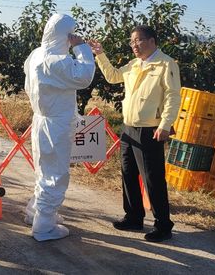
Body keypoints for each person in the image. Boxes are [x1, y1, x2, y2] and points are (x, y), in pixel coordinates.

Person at [88, 25, 181, 243]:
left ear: (152, 41)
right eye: (132, 42)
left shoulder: (166, 64)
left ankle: (163, 225)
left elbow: (173, 97)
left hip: (150, 129)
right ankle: (133, 216)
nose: (134, 45)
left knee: (152, 178)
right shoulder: (134, 65)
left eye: (138, 41)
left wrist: (166, 124)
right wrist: (100, 54)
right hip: (129, 127)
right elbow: (112, 77)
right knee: (128, 172)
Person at [23, 13, 95, 241]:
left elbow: (27, 85)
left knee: (44, 169)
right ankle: (43, 225)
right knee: (55, 173)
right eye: (71, 34)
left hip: (42, 119)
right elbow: (84, 76)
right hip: (56, 123)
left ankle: (37, 211)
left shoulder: (36, 55)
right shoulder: (56, 61)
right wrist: (81, 48)